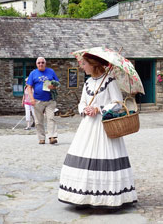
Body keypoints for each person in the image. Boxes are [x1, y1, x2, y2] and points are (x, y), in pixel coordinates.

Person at [58, 53, 137, 208]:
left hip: (104, 127)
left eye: (84, 64)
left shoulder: (109, 81)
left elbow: (118, 103)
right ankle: (84, 195)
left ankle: (106, 197)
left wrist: (99, 108)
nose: (82, 66)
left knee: (104, 156)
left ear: (93, 64)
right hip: (87, 127)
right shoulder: (88, 83)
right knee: (85, 157)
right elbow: (81, 102)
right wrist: (85, 109)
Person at [27, 57, 59, 144]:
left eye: (42, 62)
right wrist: (31, 99)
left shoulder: (51, 71)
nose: (41, 64)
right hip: (37, 100)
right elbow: (29, 87)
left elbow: (57, 83)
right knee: (38, 121)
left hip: (50, 99)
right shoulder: (33, 73)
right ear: (36, 64)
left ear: (45, 63)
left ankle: (52, 137)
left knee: (51, 118)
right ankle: (41, 138)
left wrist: (53, 86)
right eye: (39, 63)